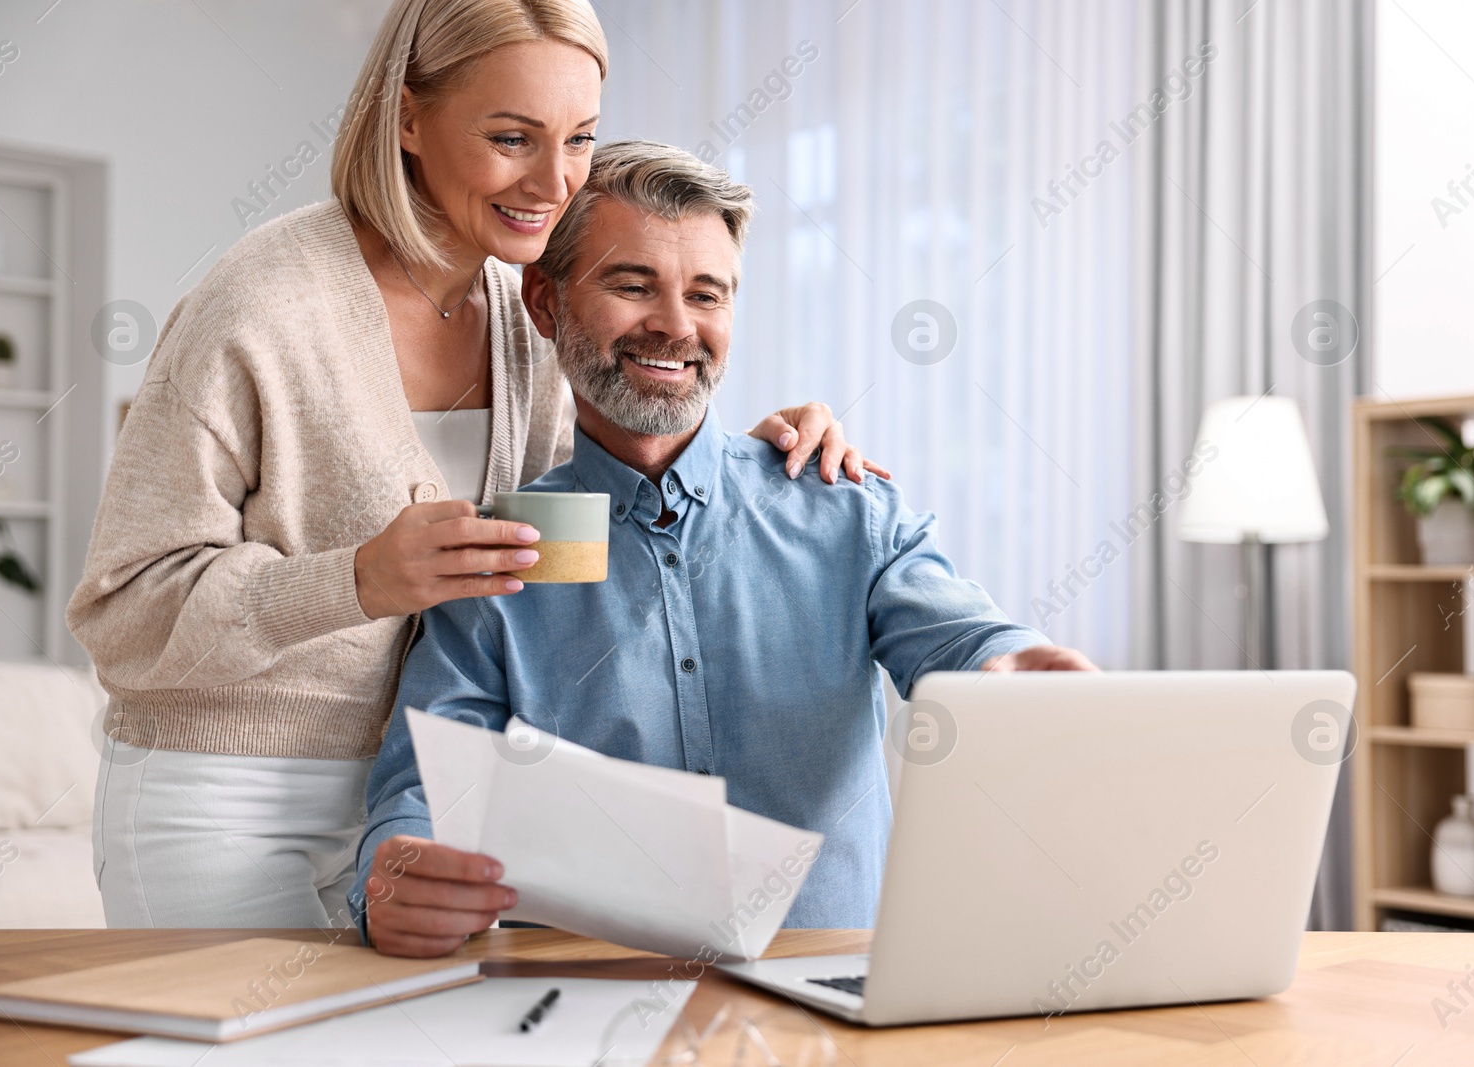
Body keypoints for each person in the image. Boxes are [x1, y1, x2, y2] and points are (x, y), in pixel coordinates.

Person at [66, 0, 883, 931]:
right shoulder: (261, 306)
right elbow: (120, 611)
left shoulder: (528, 305)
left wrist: (753, 450)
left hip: (433, 803)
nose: (554, 181)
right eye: (511, 138)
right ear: (407, 117)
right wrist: (360, 579)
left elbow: (594, 521)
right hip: (226, 800)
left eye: (579, 139)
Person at [353, 140, 1098, 958]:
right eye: (632, 284)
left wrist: (1010, 662)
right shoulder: (508, 550)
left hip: (833, 1021)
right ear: (545, 302)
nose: (676, 325)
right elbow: (424, 783)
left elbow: (960, 637)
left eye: (706, 294)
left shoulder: (841, 510)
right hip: (587, 1016)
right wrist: (394, 876)